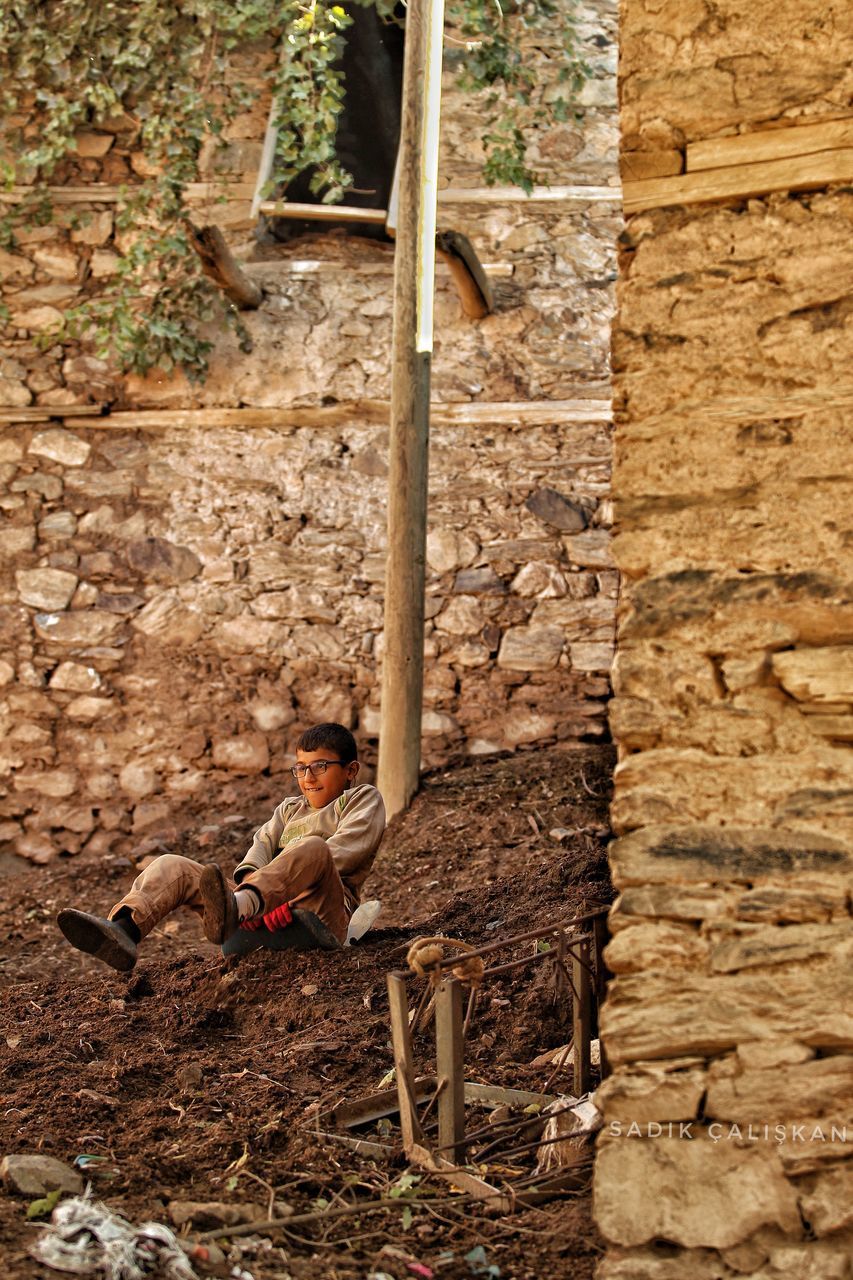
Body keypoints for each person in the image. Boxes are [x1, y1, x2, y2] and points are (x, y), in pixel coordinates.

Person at [57, 723, 386, 973]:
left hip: (321, 914)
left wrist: (275, 898)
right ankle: (124, 930)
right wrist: (255, 895)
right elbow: (261, 847)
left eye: (320, 766)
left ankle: (242, 906)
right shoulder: (289, 809)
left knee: (314, 847)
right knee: (174, 866)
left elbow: (343, 851)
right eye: (300, 767)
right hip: (260, 909)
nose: (307, 777)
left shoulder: (360, 799)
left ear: (350, 771)